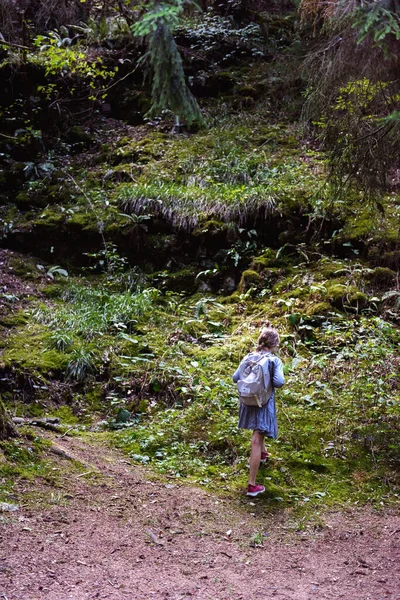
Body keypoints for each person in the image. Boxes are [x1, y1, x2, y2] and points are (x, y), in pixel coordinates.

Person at [233, 323, 284, 497]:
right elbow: (279, 382)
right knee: (256, 438)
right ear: (275, 345)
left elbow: (235, 378)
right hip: (263, 403)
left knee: (258, 436)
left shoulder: (249, 357)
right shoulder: (274, 360)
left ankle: (263, 454)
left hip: (248, 401)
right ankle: (252, 485)